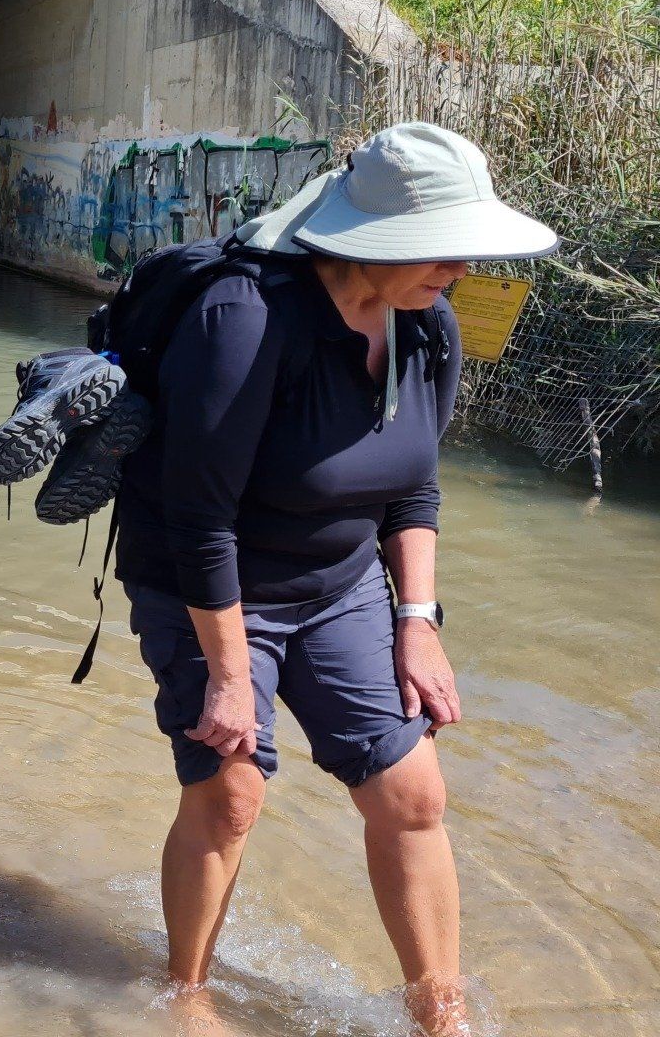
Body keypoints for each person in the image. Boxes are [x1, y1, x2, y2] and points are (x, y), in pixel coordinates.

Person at [111, 124, 558, 1035]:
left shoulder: (428, 322)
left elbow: (416, 483)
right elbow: (199, 520)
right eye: (443, 246)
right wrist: (232, 677)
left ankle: (443, 1015)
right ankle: (185, 997)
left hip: (343, 583)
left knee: (412, 794)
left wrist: (418, 619)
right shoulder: (245, 318)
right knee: (232, 789)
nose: (464, 269)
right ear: (374, 237)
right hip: (211, 585)